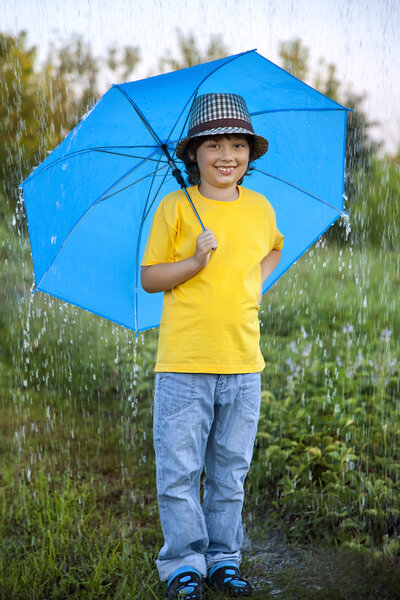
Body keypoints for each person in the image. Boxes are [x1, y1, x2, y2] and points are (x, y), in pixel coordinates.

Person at [141, 93, 284, 599]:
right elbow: (151, 278)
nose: (228, 155)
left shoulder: (260, 208)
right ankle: (183, 562)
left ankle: (224, 557)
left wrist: (253, 286)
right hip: (184, 364)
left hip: (244, 364)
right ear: (194, 154)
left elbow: (272, 249)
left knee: (230, 471)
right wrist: (195, 264)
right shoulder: (177, 208)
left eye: (238, 145)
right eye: (215, 144)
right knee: (180, 469)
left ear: (250, 153)